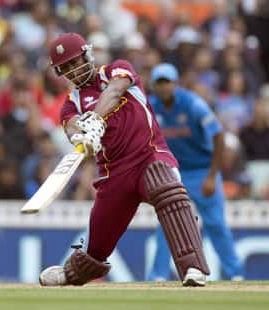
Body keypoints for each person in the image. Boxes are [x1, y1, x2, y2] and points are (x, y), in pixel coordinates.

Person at [38, 33, 210, 287]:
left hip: (149, 156)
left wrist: (95, 119)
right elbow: (72, 127)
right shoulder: (71, 103)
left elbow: (116, 91)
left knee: (167, 190)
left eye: (76, 62)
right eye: (66, 68)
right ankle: (72, 273)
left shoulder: (116, 69)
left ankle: (192, 268)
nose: (73, 70)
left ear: (88, 55)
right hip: (114, 175)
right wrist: (81, 137)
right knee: (97, 245)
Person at [147, 63, 244, 281]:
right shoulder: (151, 107)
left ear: (175, 83)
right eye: (160, 83)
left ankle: (235, 273)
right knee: (167, 224)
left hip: (202, 170)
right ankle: (158, 275)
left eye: (167, 82)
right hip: (173, 173)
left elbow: (218, 134)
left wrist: (212, 176)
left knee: (216, 223)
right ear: (154, 85)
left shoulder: (192, 104)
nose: (164, 88)